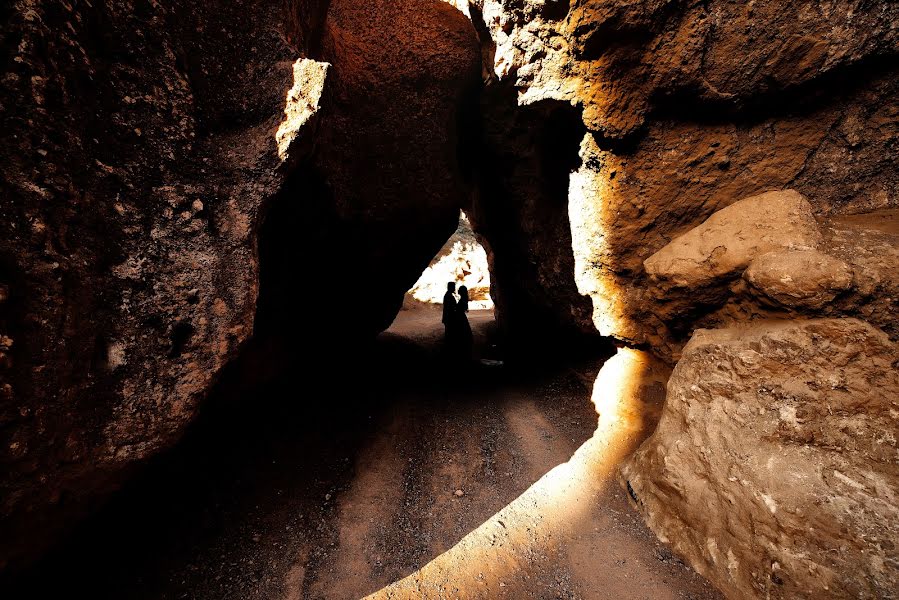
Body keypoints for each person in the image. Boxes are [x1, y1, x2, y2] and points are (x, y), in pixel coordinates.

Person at [455, 285, 473, 361]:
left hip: (460, 317)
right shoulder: (464, 298)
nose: (458, 290)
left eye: (459, 289)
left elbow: (462, 308)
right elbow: (465, 309)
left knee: (462, 331)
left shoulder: (462, 299)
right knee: (465, 331)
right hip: (462, 316)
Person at [442, 281, 457, 346]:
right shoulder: (449, 296)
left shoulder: (448, 295)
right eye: (453, 287)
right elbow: (450, 307)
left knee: (449, 332)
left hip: (448, 317)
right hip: (449, 317)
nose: (454, 288)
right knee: (449, 333)